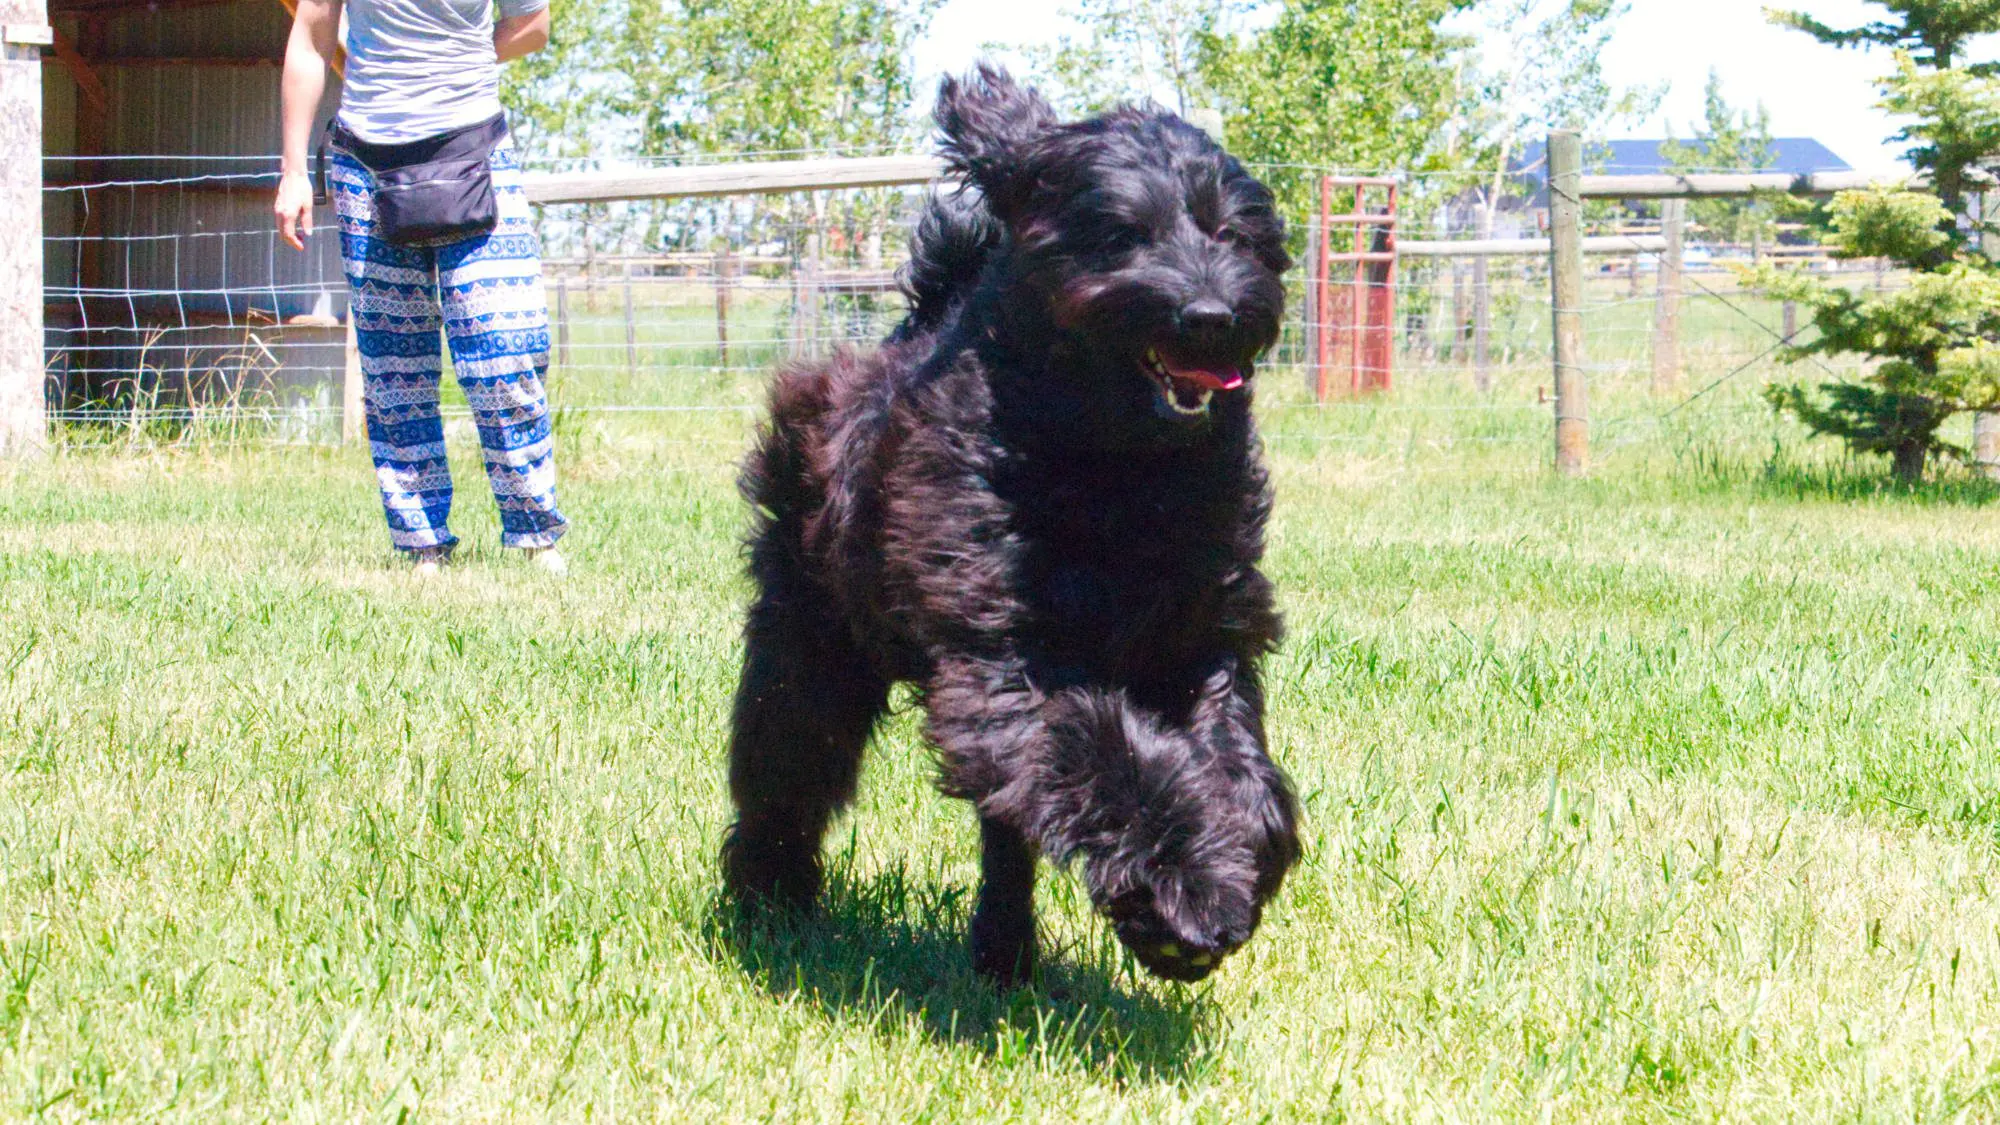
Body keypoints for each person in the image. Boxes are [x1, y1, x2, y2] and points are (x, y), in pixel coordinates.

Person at [274, 0, 568, 577]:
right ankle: (421, 547)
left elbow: (533, 26)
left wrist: (454, 63)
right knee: (393, 367)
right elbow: (310, 37)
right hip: (366, 162)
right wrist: (292, 171)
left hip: (474, 150)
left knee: (505, 348)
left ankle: (536, 536)